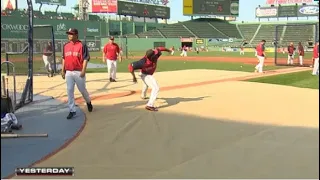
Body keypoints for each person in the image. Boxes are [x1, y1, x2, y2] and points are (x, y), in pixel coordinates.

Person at [61, 28, 93, 119]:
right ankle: (72, 110)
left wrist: (83, 70)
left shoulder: (82, 45)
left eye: (71, 34)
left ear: (76, 35)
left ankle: (88, 102)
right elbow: (64, 58)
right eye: (69, 34)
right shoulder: (66, 45)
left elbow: (86, 58)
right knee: (69, 90)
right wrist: (63, 70)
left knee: (82, 90)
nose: (69, 35)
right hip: (69, 71)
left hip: (78, 71)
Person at [128, 47, 171, 111]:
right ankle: (149, 105)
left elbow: (160, 49)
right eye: (155, 53)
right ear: (151, 57)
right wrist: (134, 77)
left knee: (146, 84)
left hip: (148, 74)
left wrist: (168, 50)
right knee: (156, 88)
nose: (157, 53)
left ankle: (143, 95)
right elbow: (130, 66)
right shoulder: (142, 62)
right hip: (145, 74)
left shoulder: (154, 54)